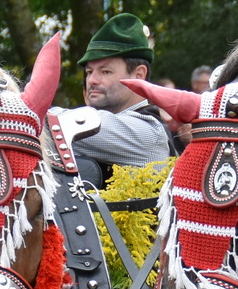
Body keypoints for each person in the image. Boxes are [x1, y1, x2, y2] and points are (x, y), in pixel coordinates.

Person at [69, 13, 174, 191]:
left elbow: (55, 126)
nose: (92, 80)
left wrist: (23, 113)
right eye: (89, 72)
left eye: (105, 71)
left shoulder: (149, 132)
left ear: (139, 75)